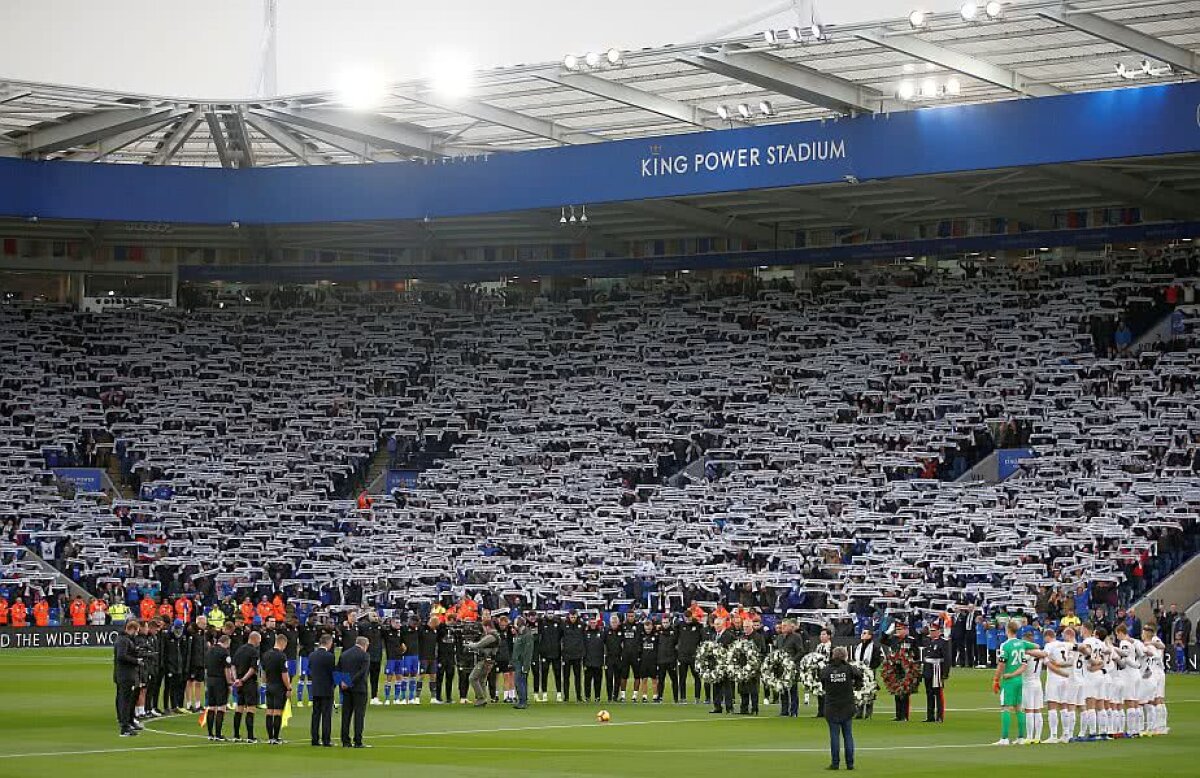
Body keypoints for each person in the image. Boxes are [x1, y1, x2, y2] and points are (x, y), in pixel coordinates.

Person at [992, 619, 1047, 745]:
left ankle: (1004, 738)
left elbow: (1001, 664)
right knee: (1018, 708)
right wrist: (1026, 649)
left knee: (1005, 707)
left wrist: (996, 679)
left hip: (1009, 679)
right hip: (1020, 679)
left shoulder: (1005, 645)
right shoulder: (1022, 643)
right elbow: (1037, 646)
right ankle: (1022, 737)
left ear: (1007, 630)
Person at [820, 646, 863, 772]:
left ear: (833, 655)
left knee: (834, 736)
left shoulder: (827, 669)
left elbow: (822, 682)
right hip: (847, 705)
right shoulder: (849, 668)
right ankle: (850, 764)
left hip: (831, 706)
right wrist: (855, 686)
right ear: (845, 656)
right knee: (848, 735)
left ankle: (835, 763)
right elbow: (859, 677)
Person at [338, 636, 371, 748]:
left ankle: (345, 741)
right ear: (365, 645)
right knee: (359, 715)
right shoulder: (364, 655)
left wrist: (342, 683)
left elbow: (338, 669)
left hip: (346, 690)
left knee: (346, 715)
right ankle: (358, 741)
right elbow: (362, 673)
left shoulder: (344, 654)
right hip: (359, 689)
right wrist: (350, 682)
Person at [231, 630, 262, 743]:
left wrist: (236, 679)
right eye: (259, 641)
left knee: (239, 708)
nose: (259, 643)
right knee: (251, 708)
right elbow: (253, 668)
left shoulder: (239, 649)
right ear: (255, 639)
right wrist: (243, 679)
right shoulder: (254, 652)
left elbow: (233, 665)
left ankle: (236, 735)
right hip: (249, 683)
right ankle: (250, 736)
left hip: (239, 684)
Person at [204, 634, 236, 742]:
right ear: (226, 642)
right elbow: (227, 670)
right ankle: (218, 734)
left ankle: (210, 734)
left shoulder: (209, 651)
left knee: (211, 707)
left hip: (210, 680)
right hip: (220, 682)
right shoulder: (224, 653)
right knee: (221, 707)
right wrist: (229, 683)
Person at [918, 621, 952, 723]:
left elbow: (947, 658)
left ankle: (940, 716)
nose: (932, 633)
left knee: (938, 693)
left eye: (934, 631)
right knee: (929, 693)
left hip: (937, 669)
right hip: (928, 668)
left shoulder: (943, 642)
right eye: (931, 631)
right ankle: (930, 716)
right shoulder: (927, 641)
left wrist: (945, 673)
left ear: (939, 631)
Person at [261, 633, 291, 745]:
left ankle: (270, 737)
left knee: (269, 711)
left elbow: (263, 672)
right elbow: (284, 674)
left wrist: (265, 682)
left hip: (269, 685)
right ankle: (276, 737)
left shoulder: (266, 655)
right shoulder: (282, 656)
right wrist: (289, 687)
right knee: (278, 711)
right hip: (279, 686)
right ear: (283, 643)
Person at [113, 619, 142, 737]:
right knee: (125, 701)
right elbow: (121, 656)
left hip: (125, 674)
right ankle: (124, 727)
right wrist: (136, 661)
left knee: (125, 700)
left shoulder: (123, 639)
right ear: (132, 629)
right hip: (125, 675)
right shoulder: (123, 640)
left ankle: (126, 724)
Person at [883, 621, 916, 721]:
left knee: (905, 692)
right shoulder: (894, 639)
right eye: (897, 629)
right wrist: (889, 631)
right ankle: (898, 715)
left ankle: (905, 715)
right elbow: (882, 640)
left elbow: (916, 653)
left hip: (907, 668)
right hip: (895, 668)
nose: (898, 631)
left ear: (906, 630)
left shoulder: (911, 640)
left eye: (900, 629)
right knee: (897, 691)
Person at [309, 633, 336, 747]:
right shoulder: (329, 656)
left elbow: (310, 669)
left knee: (315, 714)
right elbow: (333, 673)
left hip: (315, 688)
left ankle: (314, 739)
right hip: (326, 689)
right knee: (326, 715)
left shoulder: (312, 655)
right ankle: (326, 739)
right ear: (329, 643)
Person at [465, 620, 500, 706]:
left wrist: (468, 644)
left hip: (485, 660)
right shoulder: (496, 635)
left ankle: (481, 698)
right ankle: (483, 699)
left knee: (472, 678)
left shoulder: (491, 636)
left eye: (484, 627)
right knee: (482, 680)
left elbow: (478, 645)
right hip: (489, 660)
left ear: (487, 626)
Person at [775, 619, 804, 717]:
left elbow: (800, 651)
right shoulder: (779, 638)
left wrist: (791, 661)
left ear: (790, 627)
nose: (783, 628)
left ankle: (794, 711)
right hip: (781, 667)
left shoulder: (796, 637)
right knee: (782, 689)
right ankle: (784, 710)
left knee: (793, 690)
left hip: (792, 668)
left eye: (785, 626)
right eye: (782, 626)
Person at [850, 628, 882, 719]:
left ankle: (868, 712)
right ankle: (859, 711)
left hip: (870, 671)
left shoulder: (875, 647)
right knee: (858, 690)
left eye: (864, 633)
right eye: (862, 633)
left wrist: (870, 668)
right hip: (859, 671)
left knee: (869, 691)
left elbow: (878, 659)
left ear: (870, 636)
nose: (862, 635)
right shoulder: (858, 646)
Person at [677, 609, 704, 705]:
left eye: (689, 618)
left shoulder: (698, 626)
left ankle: (697, 698)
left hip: (694, 656)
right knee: (682, 678)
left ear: (692, 616)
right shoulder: (680, 625)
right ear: (683, 617)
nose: (687, 620)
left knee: (697, 677)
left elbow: (702, 640)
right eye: (686, 618)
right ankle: (683, 698)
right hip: (682, 656)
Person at [560, 611, 585, 702]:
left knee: (578, 677)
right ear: (569, 616)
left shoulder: (582, 625)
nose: (573, 619)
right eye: (571, 617)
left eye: (574, 617)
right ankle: (566, 697)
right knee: (566, 677)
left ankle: (579, 696)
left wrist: (582, 652)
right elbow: (560, 638)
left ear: (577, 616)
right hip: (566, 655)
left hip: (577, 656)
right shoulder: (564, 625)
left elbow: (585, 638)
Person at [511, 616, 534, 709]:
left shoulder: (527, 635)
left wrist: (525, 666)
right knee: (521, 682)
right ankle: (522, 700)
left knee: (519, 681)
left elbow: (528, 652)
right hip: (517, 662)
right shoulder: (519, 634)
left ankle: (522, 701)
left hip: (521, 663)